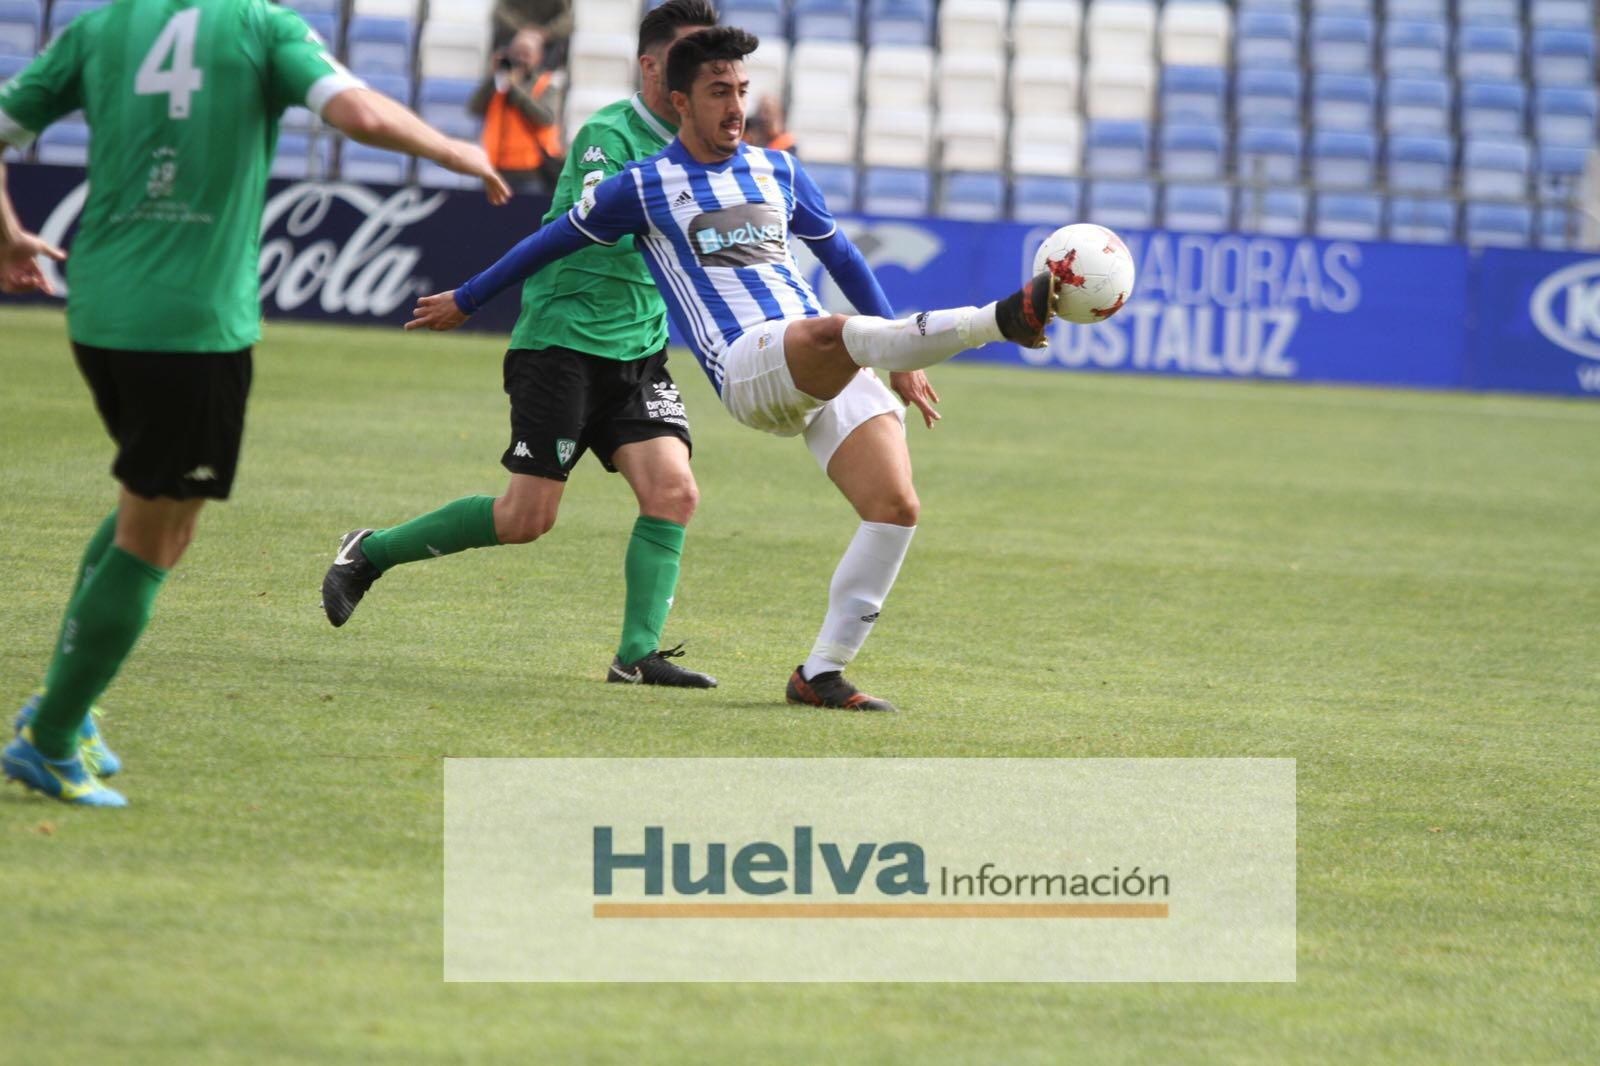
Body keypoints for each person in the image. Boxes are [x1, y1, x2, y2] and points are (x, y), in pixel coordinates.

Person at [405, 27, 1060, 712]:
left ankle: (821, 673)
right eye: (720, 92)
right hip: (749, 365)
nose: (736, 106)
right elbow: (549, 240)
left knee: (894, 508)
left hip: (824, 359)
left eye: (742, 90)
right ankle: (996, 322)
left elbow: (842, 260)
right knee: (833, 331)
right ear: (681, 101)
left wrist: (897, 366)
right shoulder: (645, 185)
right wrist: (467, 298)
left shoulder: (778, 171)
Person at [0, 0, 510, 808]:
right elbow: (356, 110)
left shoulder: (99, 28)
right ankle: (52, 736)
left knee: (148, 499)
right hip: (190, 321)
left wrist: (4, 232)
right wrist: (450, 146)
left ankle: (68, 699)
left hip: (97, 305)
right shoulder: (260, 25)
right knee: (159, 527)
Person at [321, 0, 721, 689]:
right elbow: (611, 223)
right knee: (525, 518)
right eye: (690, 59)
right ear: (651, 65)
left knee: (674, 491)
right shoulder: (609, 134)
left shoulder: (707, 146)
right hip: (563, 343)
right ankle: (372, 550)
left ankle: (636, 656)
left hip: (639, 347)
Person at [471, 26, 564, 194]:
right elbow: (474, 108)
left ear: (538, 57)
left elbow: (546, 118)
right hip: (495, 168)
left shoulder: (545, 85)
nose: (520, 59)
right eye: (516, 53)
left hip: (531, 171)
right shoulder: (498, 83)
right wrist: (493, 77)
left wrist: (514, 89)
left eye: (526, 54)